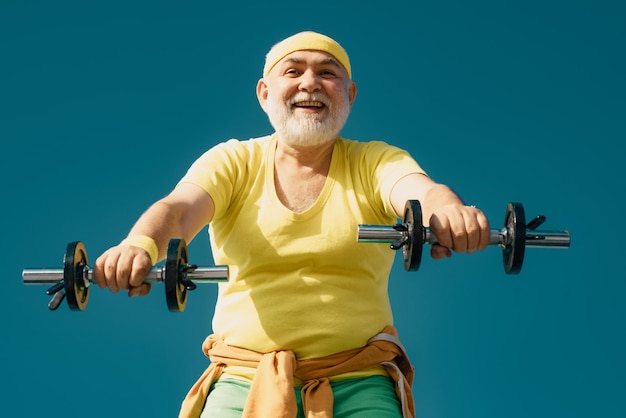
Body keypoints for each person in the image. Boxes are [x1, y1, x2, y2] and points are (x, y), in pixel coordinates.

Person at [93, 31, 491, 418]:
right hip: (243, 379)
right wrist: (139, 245)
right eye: (294, 71)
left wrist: (450, 212)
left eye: (328, 73)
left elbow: (420, 191)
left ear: (349, 95)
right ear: (265, 93)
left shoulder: (376, 161)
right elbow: (178, 209)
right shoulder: (233, 162)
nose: (311, 83)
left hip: (360, 379)